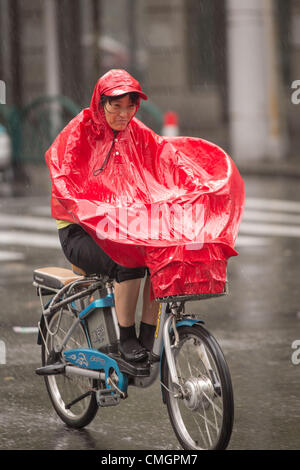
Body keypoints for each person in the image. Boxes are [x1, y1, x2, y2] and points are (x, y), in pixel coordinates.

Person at [49, 70, 159, 363]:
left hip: (121, 227)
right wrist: (89, 208)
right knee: (129, 260)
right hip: (79, 232)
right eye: (116, 106)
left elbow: (165, 161)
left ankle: (149, 335)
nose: (124, 114)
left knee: (162, 257)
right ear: (100, 104)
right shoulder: (78, 132)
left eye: (130, 106)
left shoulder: (136, 132)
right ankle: (127, 338)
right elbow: (62, 174)